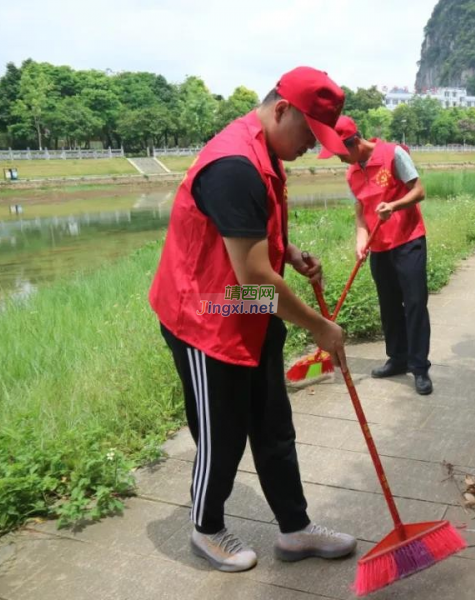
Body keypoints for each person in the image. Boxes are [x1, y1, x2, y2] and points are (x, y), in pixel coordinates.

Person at [148, 66, 357, 573]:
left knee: (273, 427)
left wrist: (290, 254)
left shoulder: (267, 152)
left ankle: (295, 529)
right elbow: (253, 281)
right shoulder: (234, 164)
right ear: (282, 109)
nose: (312, 145)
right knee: (222, 434)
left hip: (246, 310)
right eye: (310, 133)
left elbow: (251, 248)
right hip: (206, 316)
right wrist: (319, 327)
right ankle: (206, 528)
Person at [318, 115, 433, 395]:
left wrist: (394, 205)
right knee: (389, 305)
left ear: (354, 142)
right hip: (379, 246)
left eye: (339, 153)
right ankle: (397, 359)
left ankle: (419, 367)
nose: (338, 159)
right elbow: (360, 212)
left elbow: (419, 191)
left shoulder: (393, 154)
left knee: (415, 304)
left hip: (408, 240)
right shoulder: (351, 173)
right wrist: (360, 240)